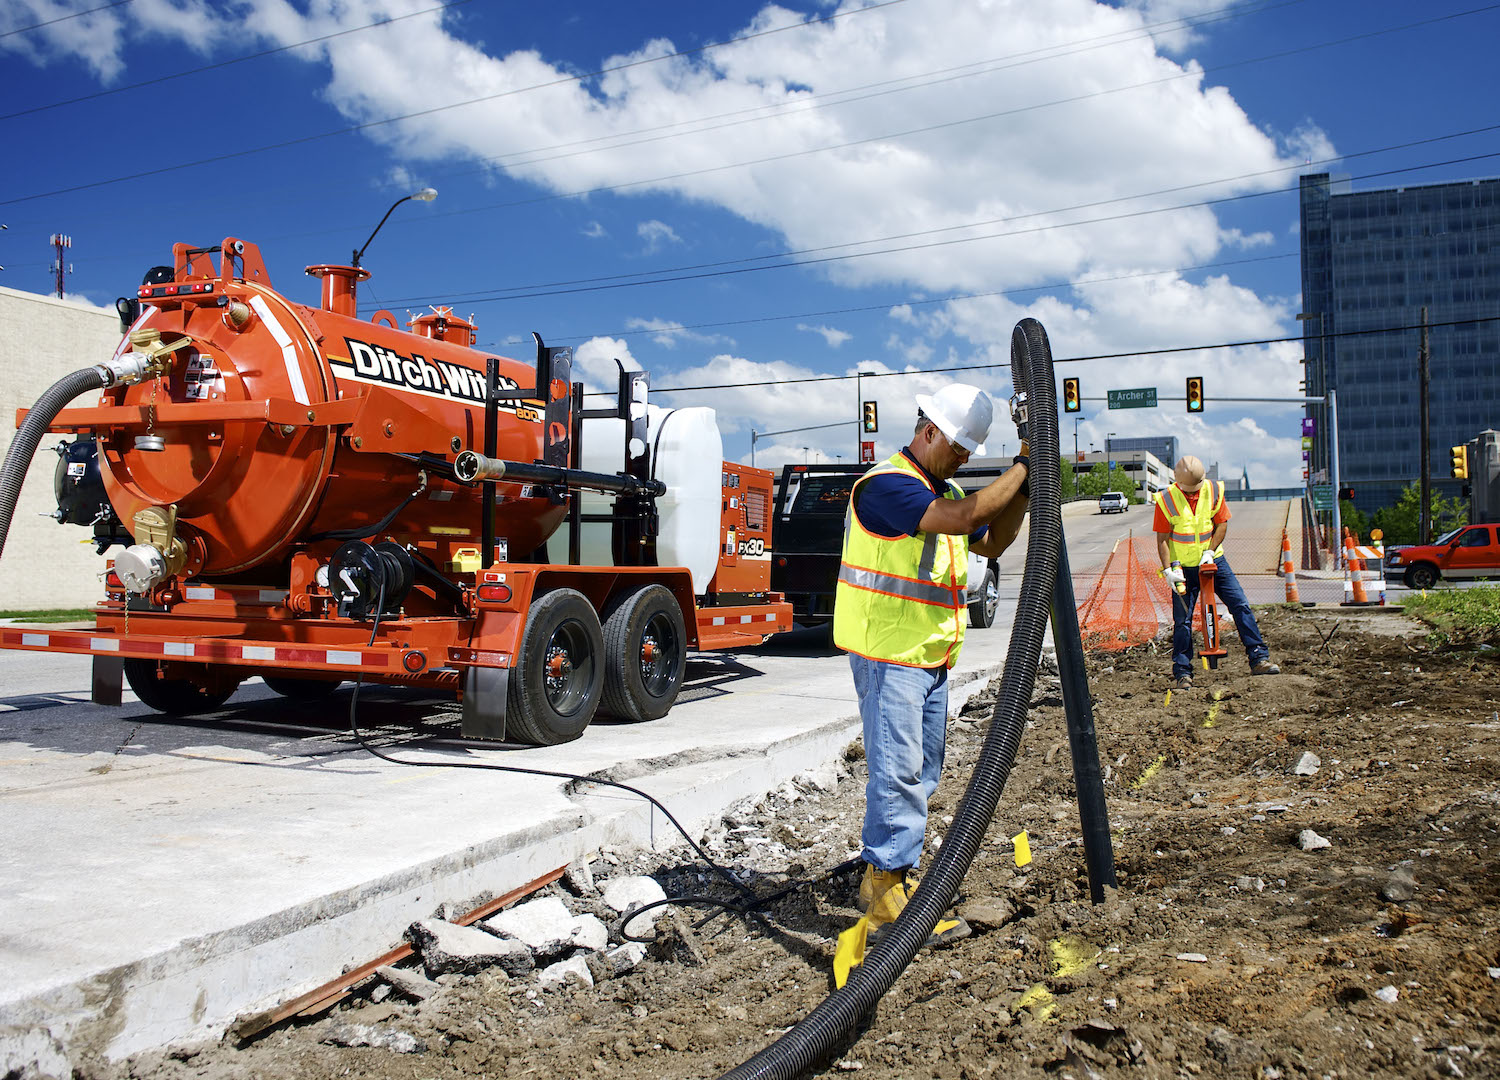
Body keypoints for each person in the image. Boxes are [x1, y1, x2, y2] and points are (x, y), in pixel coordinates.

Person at [833, 382, 1030, 948]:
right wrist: (1021, 465)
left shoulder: (935, 487)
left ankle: (886, 879)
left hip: (927, 657)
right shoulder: (887, 487)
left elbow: (990, 542)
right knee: (897, 772)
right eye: (960, 448)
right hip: (889, 655)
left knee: (920, 772)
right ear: (929, 432)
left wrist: (1024, 488)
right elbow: (970, 517)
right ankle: (887, 899)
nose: (965, 459)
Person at [1154, 455, 1280, 691]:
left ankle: (1259, 658)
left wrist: (1210, 552)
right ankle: (1183, 673)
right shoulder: (1166, 500)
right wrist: (1169, 569)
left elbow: (1222, 523)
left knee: (1240, 605)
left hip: (1213, 561)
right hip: (1184, 568)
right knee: (1182, 621)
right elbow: (1162, 540)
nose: (1194, 492)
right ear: (1178, 482)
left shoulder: (1212, 490)